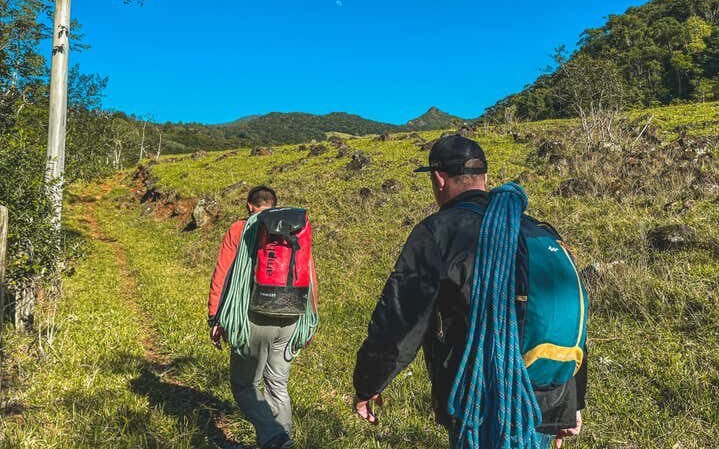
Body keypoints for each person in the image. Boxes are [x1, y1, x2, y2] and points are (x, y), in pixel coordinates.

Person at [352, 135, 586, 448]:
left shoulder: (439, 232)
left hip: (483, 400)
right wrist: (571, 405)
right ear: (484, 178)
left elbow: (400, 319)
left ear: (438, 179)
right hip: (545, 398)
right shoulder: (536, 229)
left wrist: (368, 383)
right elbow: (571, 313)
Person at [208, 185, 297, 449]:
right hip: (291, 317)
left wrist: (215, 317)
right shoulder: (294, 227)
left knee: (244, 385)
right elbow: (309, 275)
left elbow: (222, 274)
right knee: (277, 385)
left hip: (253, 319)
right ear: (275, 205)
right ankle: (284, 442)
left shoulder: (240, 229)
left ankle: (274, 437)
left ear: (250, 206)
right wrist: (308, 320)